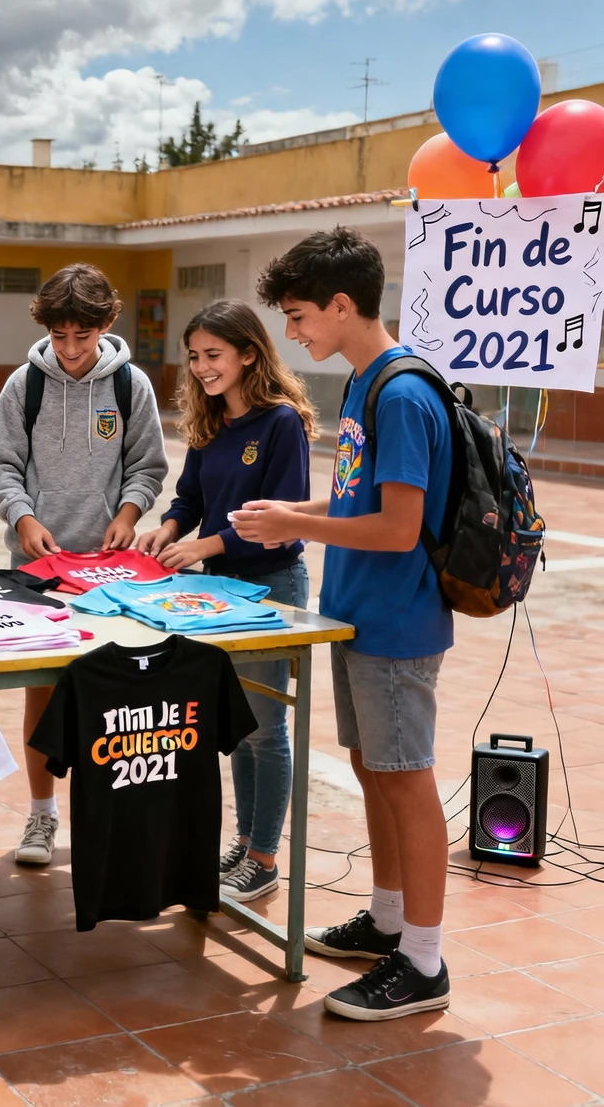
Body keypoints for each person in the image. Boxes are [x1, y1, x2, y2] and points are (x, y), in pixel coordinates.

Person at [235, 225, 454, 1022]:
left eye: (298, 317)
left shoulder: (400, 393)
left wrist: (300, 528)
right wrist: (292, 513)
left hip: (398, 623)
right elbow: (360, 503)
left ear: (340, 303)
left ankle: (423, 962)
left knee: (406, 777)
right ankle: (388, 919)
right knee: (372, 768)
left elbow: (400, 527)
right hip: (357, 612)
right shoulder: (363, 385)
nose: (291, 333)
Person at [0, 263, 167, 867]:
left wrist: (131, 512)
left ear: (105, 325)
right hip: (37, 568)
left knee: (112, 692)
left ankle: (108, 813)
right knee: (42, 691)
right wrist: (23, 518)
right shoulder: (23, 385)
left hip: (113, 573)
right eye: (59, 338)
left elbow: (147, 465)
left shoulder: (130, 386)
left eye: (81, 338)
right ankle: (41, 816)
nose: (69, 350)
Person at [137, 299, 316, 905]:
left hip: (272, 588)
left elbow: (286, 520)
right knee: (238, 730)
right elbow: (189, 497)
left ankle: (265, 856)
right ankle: (245, 842)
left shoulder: (280, 422)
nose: (202, 367)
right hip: (219, 591)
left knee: (268, 730)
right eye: (194, 357)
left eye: (213, 355)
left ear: (248, 353)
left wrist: (207, 543)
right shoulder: (210, 423)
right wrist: (168, 529)